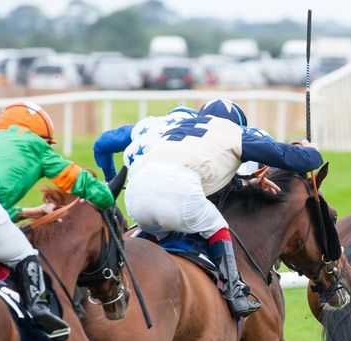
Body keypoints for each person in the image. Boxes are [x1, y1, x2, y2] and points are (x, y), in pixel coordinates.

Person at [0, 102, 114, 337]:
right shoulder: (35, 145)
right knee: (25, 255)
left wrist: (26, 213)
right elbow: (79, 182)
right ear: (40, 135)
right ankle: (41, 311)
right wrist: (107, 199)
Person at [124, 97, 323, 319]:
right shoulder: (233, 134)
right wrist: (311, 151)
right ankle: (235, 292)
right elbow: (293, 158)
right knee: (216, 225)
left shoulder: (179, 128)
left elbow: (205, 172)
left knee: (155, 231)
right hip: (177, 195)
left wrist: (247, 182)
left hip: (135, 196)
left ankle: (123, 264)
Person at [92, 106, 198, 181]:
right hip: (182, 181)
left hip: (140, 183)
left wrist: (110, 179)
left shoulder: (149, 124)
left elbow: (101, 143)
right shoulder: (205, 131)